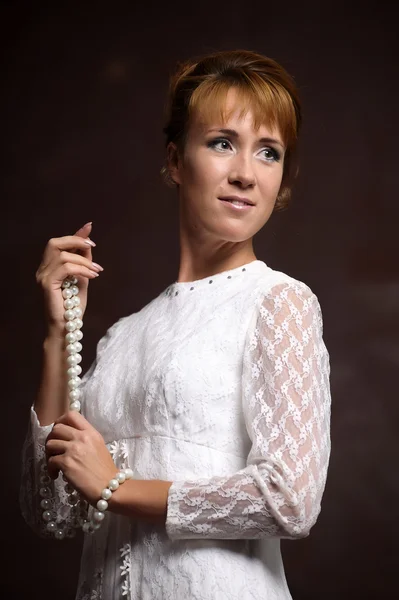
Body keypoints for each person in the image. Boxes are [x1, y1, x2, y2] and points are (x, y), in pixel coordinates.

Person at [20, 49, 332, 600]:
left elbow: (291, 499)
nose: (244, 173)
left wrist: (117, 489)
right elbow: (52, 513)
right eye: (221, 143)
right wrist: (58, 332)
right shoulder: (122, 338)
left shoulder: (278, 302)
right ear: (174, 160)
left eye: (268, 152)